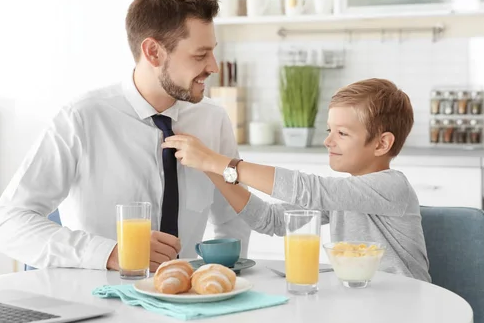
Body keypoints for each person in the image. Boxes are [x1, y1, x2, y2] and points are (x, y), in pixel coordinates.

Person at [0, 0, 251, 272]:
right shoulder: (81, 119)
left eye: (212, 52)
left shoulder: (213, 120)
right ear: (153, 52)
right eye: (200, 55)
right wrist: (111, 253)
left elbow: (232, 218)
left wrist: (220, 280)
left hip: (186, 306)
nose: (214, 66)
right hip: (97, 303)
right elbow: (6, 224)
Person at [162, 78, 431, 282]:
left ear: (382, 143)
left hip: (402, 308)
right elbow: (270, 220)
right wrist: (212, 170)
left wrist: (215, 160)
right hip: (360, 304)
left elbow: (309, 190)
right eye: (329, 130)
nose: (328, 141)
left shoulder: (392, 187)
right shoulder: (341, 196)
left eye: (342, 133)